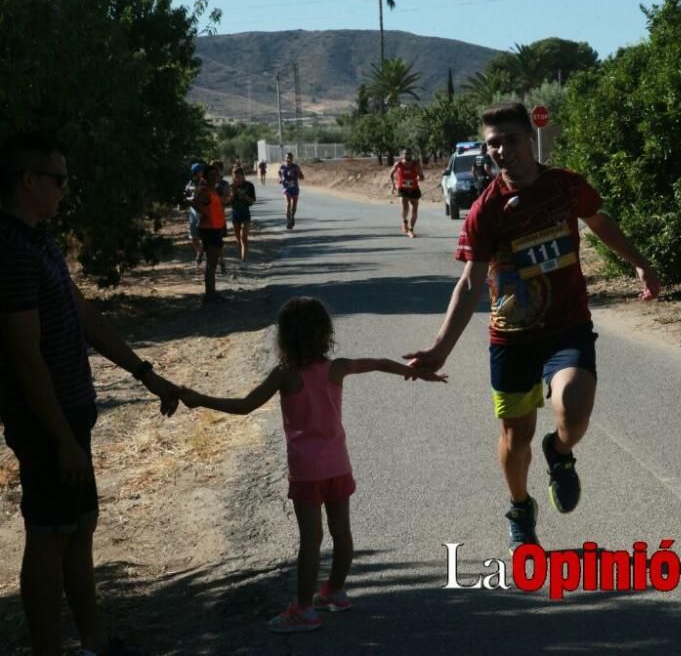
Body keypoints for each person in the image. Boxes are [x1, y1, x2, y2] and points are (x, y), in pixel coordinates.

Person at [403, 103, 661, 552]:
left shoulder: (564, 186)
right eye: (493, 143)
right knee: (514, 435)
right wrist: (440, 348)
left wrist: (638, 263)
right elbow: (468, 284)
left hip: (567, 326)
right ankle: (520, 508)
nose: (502, 150)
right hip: (512, 337)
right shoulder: (486, 211)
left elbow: (599, 221)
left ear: (529, 140)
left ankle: (559, 453)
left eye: (510, 140)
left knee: (573, 411)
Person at [0, 131, 181, 656]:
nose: (65, 190)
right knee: (49, 536)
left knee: (79, 530)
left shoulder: (40, 239)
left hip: (71, 416)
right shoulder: (10, 251)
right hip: (45, 422)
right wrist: (61, 439)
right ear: (28, 180)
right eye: (58, 180)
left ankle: (95, 641)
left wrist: (146, 373)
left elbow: (83, 316)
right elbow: (24, 356)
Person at [179, 297, 446, 633]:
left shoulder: (284, 375)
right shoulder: (338, 367)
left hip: (306, 472)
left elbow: (246, 406)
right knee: (342, 532)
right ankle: (334, 591)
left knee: (311, 540)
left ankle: (303, 609)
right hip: (338, 465)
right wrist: (416, 372)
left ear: (285, 338)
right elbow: (379, 363)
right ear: (325, 334)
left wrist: (200, 399)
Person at [193, 164, 227, 303]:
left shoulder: (213, 190)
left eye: (216, 174)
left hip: (215, 229)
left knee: (213, 263)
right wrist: (202, 214)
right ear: (206, 177)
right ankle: (210, 295)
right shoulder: (205, 191)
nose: (214, 177)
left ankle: (212, 293)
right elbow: (194, 202)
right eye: (211, 175)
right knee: (211, 263)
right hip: (209, 230)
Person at [388, 148, 424, 237]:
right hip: (402, 189)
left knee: (414, 210)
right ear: (402, 155)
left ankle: (411, 229)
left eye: (408, 154)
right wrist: (393, 185)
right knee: (405, 208)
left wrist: (420, 178)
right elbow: (391, 173)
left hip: (414, 189)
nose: (407, 155)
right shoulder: (399, 164)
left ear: (411, 154)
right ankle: (405, 222)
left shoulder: (416, 164)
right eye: (405, 154)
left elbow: (422, 176)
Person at [229, 166, 256, 264]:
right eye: (234, 176)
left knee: (244, 237)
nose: (236, 178)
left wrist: (244, 195)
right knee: (237, 239)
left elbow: (252, 201)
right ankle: (241, 259)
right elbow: (229, 201)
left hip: (245, 213)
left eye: (238, 176)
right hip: (235, 213)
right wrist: (232, 193)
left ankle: (244, 261)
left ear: (242, 175)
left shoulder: (249, 186)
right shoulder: (231, 186)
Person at [211, 160, 232, 275]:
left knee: (218, 241)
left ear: (220, 170)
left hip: (219, 216)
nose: (214, 171)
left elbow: (228, 199)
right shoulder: (206, 183)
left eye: (216, 169)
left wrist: (216, 199)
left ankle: (221, 261)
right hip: (206, 217)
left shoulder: (224, 184)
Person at [184, 163, 206, 266]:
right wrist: (191, 198)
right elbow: (185, 197)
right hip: (193, 211)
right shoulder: (190, 184)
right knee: (193, 237)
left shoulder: (205, 183)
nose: (201, 173)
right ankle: (200, 252)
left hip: (204, 211)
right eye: (199, 171)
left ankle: (211, 258)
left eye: (202, 171)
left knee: (206, 236)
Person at [279, 153, 304, 229]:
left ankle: (292, 216)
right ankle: (288, 221)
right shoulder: (282, 167)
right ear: (285, 158)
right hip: (286, 188)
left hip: (294, 188)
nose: (288, 159)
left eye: (290, 158)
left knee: (294, 204)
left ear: (292, 159)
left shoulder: (296, 167)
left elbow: (302, 177)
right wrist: (281, 179)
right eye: (287, 158)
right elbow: (279, 173)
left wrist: (295, 174)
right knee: (288, 203)